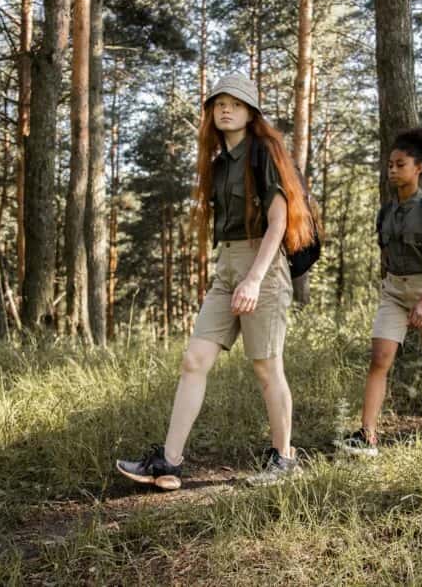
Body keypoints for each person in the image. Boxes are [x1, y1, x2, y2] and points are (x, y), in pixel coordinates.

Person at [116, 73, 317, 488]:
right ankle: (168, 463)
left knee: (266, 367)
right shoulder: (218, 162)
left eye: (236, 103)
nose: (226, 109)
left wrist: (254, 280)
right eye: (219, 103)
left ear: (250, 113)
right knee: (194, 361)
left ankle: (283, 460)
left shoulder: (265, 153)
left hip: (262, 264)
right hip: (227, 267)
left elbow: (279, 222)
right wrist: (234, 277)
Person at [337, 128, 422, 458]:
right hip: (394, 291)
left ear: (419, 168)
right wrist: (389, 288)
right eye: (390, 164)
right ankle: (367, 435)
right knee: (379, 358)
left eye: (400, 164)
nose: (392, 170)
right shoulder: (385, 212)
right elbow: (385, 255)